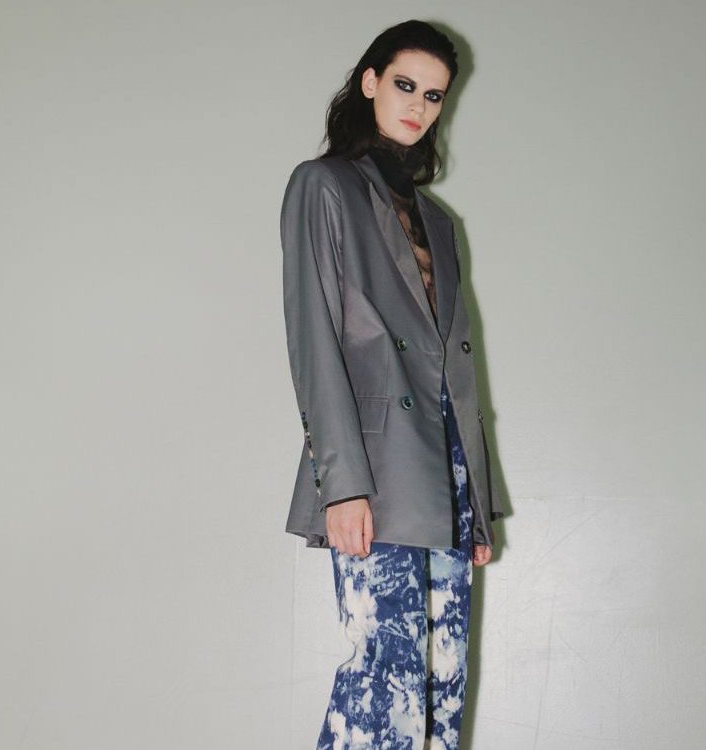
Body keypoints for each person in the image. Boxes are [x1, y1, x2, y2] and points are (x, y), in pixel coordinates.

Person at [279, 19, 505, 750]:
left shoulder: (438, 221)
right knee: (385, 681)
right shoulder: (323, 186)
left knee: (442, 685)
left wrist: (478, 504)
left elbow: (454, 368)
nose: (418, 106)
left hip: (447, 475)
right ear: (370, 81)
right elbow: (315, 340)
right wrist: (341, 485)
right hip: (375, 473)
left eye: (434, 95)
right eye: (405, 85)